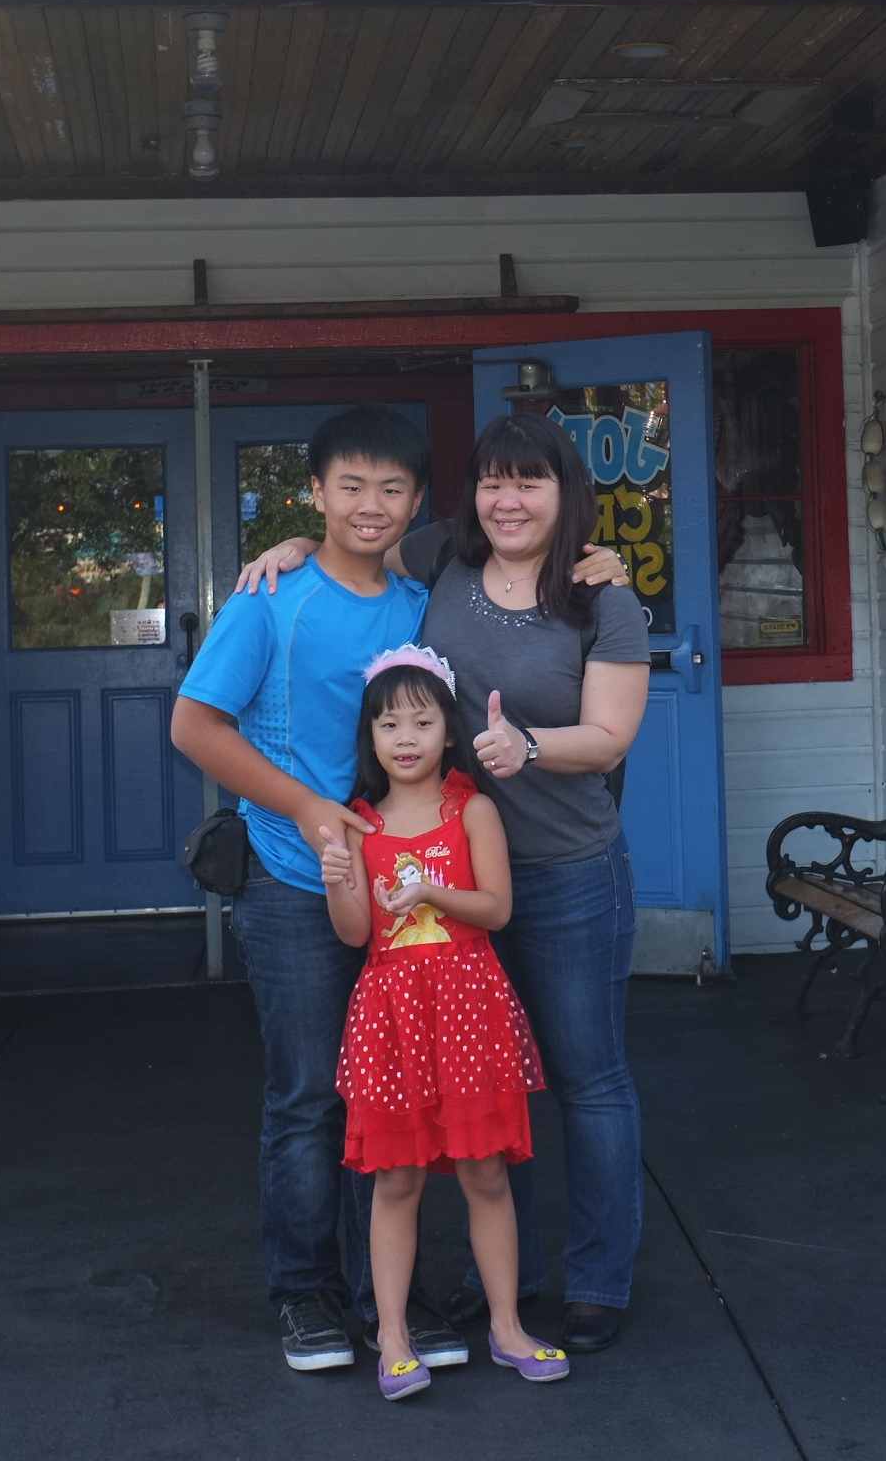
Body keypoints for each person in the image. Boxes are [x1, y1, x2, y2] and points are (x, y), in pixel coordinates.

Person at [238, 410, 651, 1353]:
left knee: (587, 1079)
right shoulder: (443, 557)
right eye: (494, 481)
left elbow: (610, 737)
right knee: (492, 1085)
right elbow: (358, 541)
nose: (509, 500)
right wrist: (295, 547)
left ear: (565, 495)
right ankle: (511, 1281)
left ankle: (597, 1282)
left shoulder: (601, 596)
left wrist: (528, 746)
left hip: (567, 870)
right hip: (448, 875)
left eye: (531, 482)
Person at [169, 405, 459, 1378]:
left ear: (416, 502)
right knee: (308, 1097)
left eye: (392, 488)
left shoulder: (420, 605)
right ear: (316, 493)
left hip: (404, 890)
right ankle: (306, 1290)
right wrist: (306, 809)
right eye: (351, 485)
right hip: (295, 882)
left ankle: (389, 1294)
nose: (371, 505)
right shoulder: (270, 599)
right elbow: (195, 725)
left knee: (396, 1095)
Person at [316, 646, 568, 1397]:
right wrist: (336, 881)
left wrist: (430, 891)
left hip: (468, 1008)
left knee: (485, 1172)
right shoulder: (359, 827)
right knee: (396, 1180)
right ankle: (393, 1336)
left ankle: (507, 1327)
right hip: (392, 1018)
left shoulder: (473, 810)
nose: (405, 738)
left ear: (449, 732)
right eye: (389, 723)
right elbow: (355, 934)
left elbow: (496, 909)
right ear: (369, 736)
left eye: (422, 722)